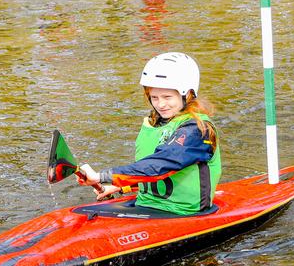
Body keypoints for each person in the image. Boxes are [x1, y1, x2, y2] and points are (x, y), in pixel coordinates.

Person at [77, 52, 222, 216]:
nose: (160, 104)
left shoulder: (198, 130)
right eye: (154, 97)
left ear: (187, 94)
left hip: (183, 212)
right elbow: (151, 171)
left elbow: (162, 165)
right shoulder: (155, 122)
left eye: (167, 97)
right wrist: (120, 186)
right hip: (146, 204)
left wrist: (101, 176)